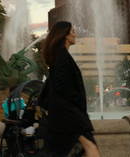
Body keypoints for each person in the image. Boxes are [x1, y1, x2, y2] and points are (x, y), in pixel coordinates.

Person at [41, 21, 100, 157]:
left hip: (65, 115)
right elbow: (63, 88)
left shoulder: (60, 56)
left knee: (82, 149)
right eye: (72, 32)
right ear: (65, 35)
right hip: (69, 115)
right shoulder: (62, 57)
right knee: (90, 147)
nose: (75, 34)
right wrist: (77, 107)